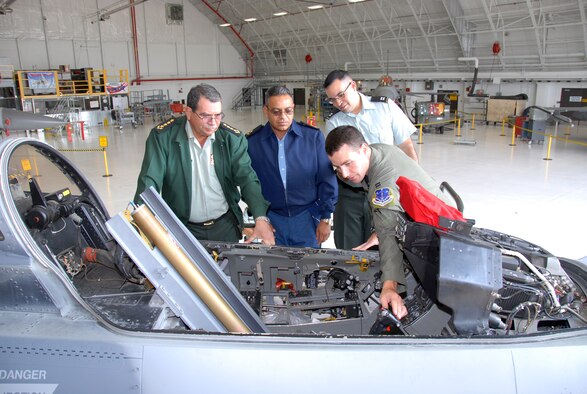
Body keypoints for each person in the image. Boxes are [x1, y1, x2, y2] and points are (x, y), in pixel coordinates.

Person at [325, 125, 455, 319]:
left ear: (363, 149)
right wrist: (377, 233)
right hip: (432, 217)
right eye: (337, 168)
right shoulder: (378, 150)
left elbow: (389, 233)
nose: (344, 174)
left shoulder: (382, 183)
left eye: (348, 163)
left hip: (440, 238)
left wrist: (389, 286)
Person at [134, 83, 275, 245]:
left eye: (218, 115)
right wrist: (141, 224)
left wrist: (260, 217)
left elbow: (247, 178)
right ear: (188, 112)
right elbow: (148, 183)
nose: (213, 122)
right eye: (206, 115)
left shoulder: (231, 139)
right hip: (181, 227)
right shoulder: (163, 138)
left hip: (225, 226)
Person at [323, 70, 418, 250]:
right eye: (332, 100)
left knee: (384, 247)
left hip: (386, 191)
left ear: (353, 85)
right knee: (348, 250)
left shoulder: (385, 107)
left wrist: (411, 187)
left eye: (340, 95)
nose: (338, 103)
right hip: (351, 194)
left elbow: (407, 147)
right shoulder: (334, 123)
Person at [247, 86, 337, 247]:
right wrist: (260, 217)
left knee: (310, 268)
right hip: (272, 221)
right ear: (265, 111)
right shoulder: (253, 143)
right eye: (276, 112)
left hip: (307, 219)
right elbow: (248, 183)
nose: (283, 117)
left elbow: (326, 179)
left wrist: (325, 217)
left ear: (294, 108)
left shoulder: (313, 138)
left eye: (288, 111)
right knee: (274, 268)